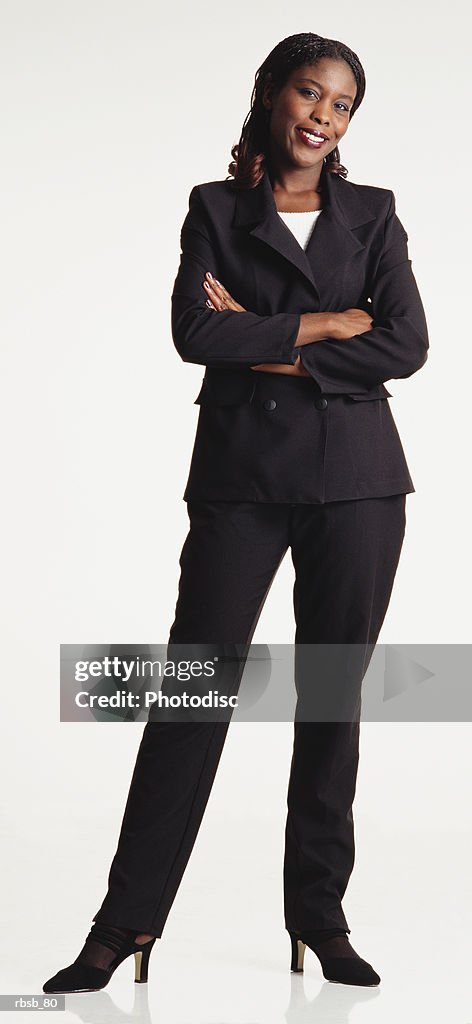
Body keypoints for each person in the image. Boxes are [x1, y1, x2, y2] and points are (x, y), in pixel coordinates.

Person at [43, 31, 429, 994]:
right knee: (190, 696)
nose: (322, 117)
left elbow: (408, 343)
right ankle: (124, 925)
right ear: (270, 94)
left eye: (340, 106)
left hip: (360, 485)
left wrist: (266, 342)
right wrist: (331, 324)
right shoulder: (215, 209)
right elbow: (193, 331)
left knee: (331, 703)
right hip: (243, 479)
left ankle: (320, 919)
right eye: (309, 93)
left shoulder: (374, 214)